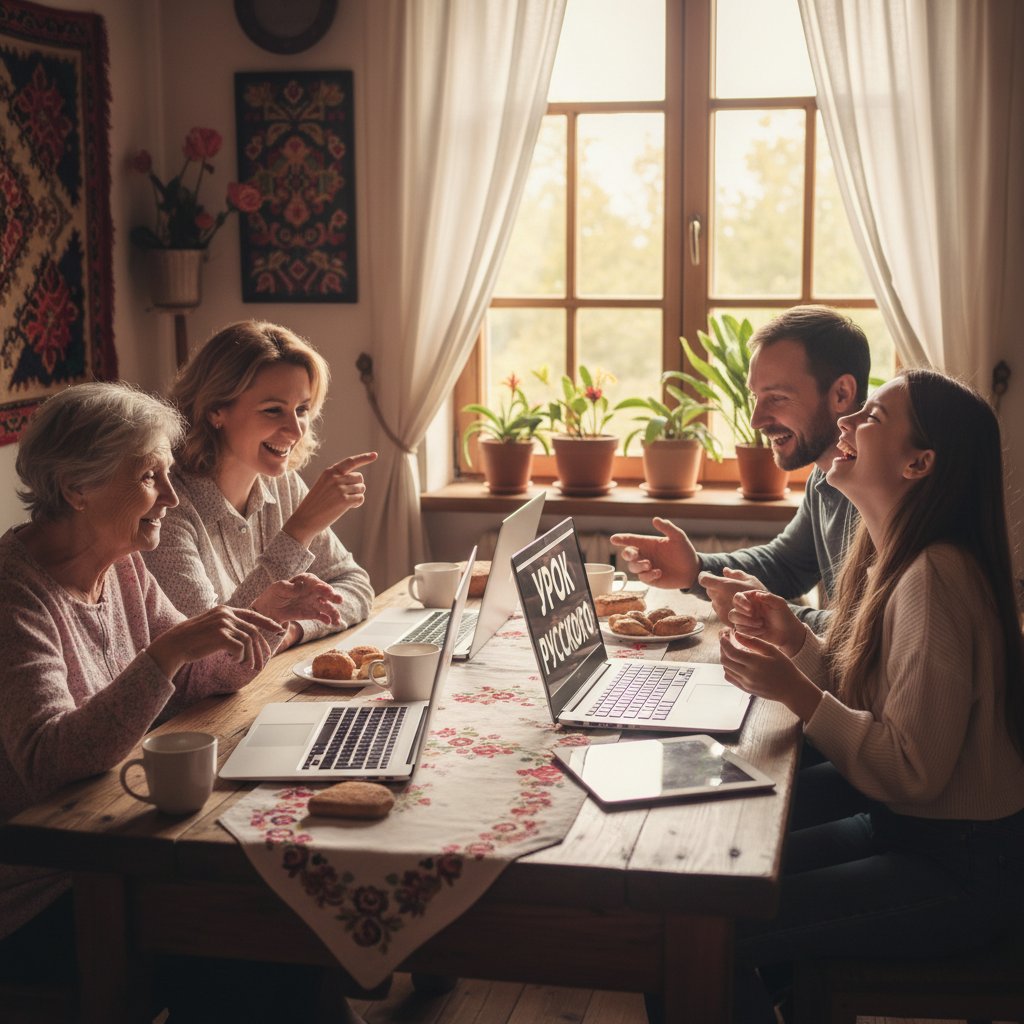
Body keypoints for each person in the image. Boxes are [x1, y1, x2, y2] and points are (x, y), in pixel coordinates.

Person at [0, 382, 342, 981]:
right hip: (49, 886)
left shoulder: (122, 564)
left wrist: (264, 615)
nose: (171, 497)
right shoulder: (15, 596)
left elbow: (202, 678)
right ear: (77, 488)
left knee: (287, 898)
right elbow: (50, 761)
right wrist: (167, 652)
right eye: (149, 477)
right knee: (262, 929)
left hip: (122, 838)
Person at [716, 369, 1024, 1021]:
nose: (846, 423)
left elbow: (909, 770)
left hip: (962, 865)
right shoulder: (897, 556)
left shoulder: (935, 577)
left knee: (704, 935)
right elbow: (875, 702)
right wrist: (796, 639)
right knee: (711, 899)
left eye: (872, 417)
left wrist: (795, 691)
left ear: (919, 463)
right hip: (911, 827)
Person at [612, 305, 870, 632]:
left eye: (777, 398)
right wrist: (695, 569)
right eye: (755, 397)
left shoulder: (888, 488)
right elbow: (786, 565)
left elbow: (875, 631)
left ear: (842, 394)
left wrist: (769, 613)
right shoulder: (825, 474)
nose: (756, 421)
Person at [143, 320, 376, 649]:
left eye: (302, 409)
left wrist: (292, 630)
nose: (296, 430)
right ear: (215, 410)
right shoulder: (166, 504)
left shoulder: (282, 484)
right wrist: (299, 530)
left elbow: (355, 585)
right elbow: (210, 647)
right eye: (273, 410)